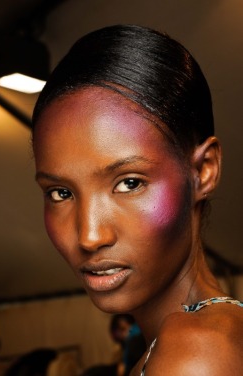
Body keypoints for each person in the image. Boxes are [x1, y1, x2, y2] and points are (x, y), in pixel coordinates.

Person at [31, 24, 243, 375]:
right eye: (61, 193)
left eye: (129, 183)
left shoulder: (197, 351)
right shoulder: (190, 341)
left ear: (204, 170)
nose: (90, 236)